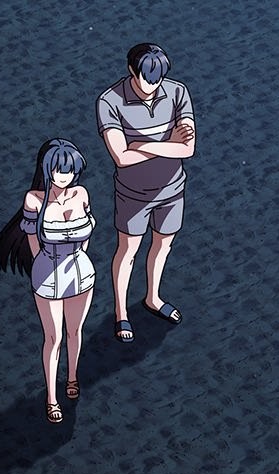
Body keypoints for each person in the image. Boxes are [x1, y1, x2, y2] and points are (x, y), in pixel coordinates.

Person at [96, 43, 195, 342]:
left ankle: (153, 297)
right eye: (147, 78)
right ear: (131, 71)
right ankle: (121, 312)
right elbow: (121, 158)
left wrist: (141, 146)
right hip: (133, 193)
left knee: (163, 245)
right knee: (128, 251)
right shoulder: (110, 101)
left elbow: (187, 148)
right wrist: (166, 144)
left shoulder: (178, 92)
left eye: (158, 79)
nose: (153, 86)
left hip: (172, 189)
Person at [0, 139, 96, 423]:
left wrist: (78, 257)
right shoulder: (33, 199)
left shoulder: (81, 194)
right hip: (48, 274)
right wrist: (45, 266)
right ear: (47, 169)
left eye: (70, 171)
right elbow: (33, 242)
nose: (65, 177)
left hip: (81, 271)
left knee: (75, 331)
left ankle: (72, 377)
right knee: (53, 337)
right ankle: (51, 397)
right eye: (60, 170)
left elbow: (86, 234)